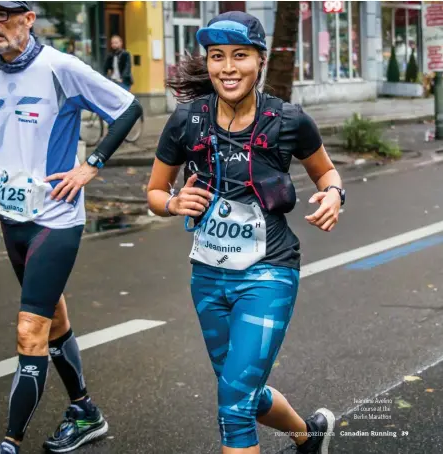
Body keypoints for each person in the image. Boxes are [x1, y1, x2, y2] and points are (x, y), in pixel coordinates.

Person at [147, 12, 345, 454]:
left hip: (268, 273)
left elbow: (327, 174)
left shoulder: (288, 120)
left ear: (260, 60)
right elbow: (156, 192)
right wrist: (174, 203)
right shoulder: (186, 121)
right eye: (217, 57)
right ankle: (309, 436)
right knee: (239, 389)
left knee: (233, 407)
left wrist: (334, 196)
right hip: (208, 275)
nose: (227, 67)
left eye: (240, 56)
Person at [0, 2, 142, 453]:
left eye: (2, 15)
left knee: (30, 329)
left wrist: (91, 166)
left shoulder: (60, 67)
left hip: (56, 217)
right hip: (12, 217)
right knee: (53, 317)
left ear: (29, 18)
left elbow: (127, 108)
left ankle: (10, 442)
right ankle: (85, 411)